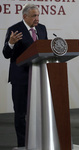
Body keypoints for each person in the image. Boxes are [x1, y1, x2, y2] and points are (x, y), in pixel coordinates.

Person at [2, 4, 48, 149]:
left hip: (39, 76)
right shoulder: (14, 30)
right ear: (25, 16)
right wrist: (10, 43)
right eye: (34, 16)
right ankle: (22, 144)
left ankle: (39, 141)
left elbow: (44, 49)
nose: (37, 19)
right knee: (21, 113)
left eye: (38, 15)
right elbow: (6, 54)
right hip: (21, 78)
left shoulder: (42, 28)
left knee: (40, 111)